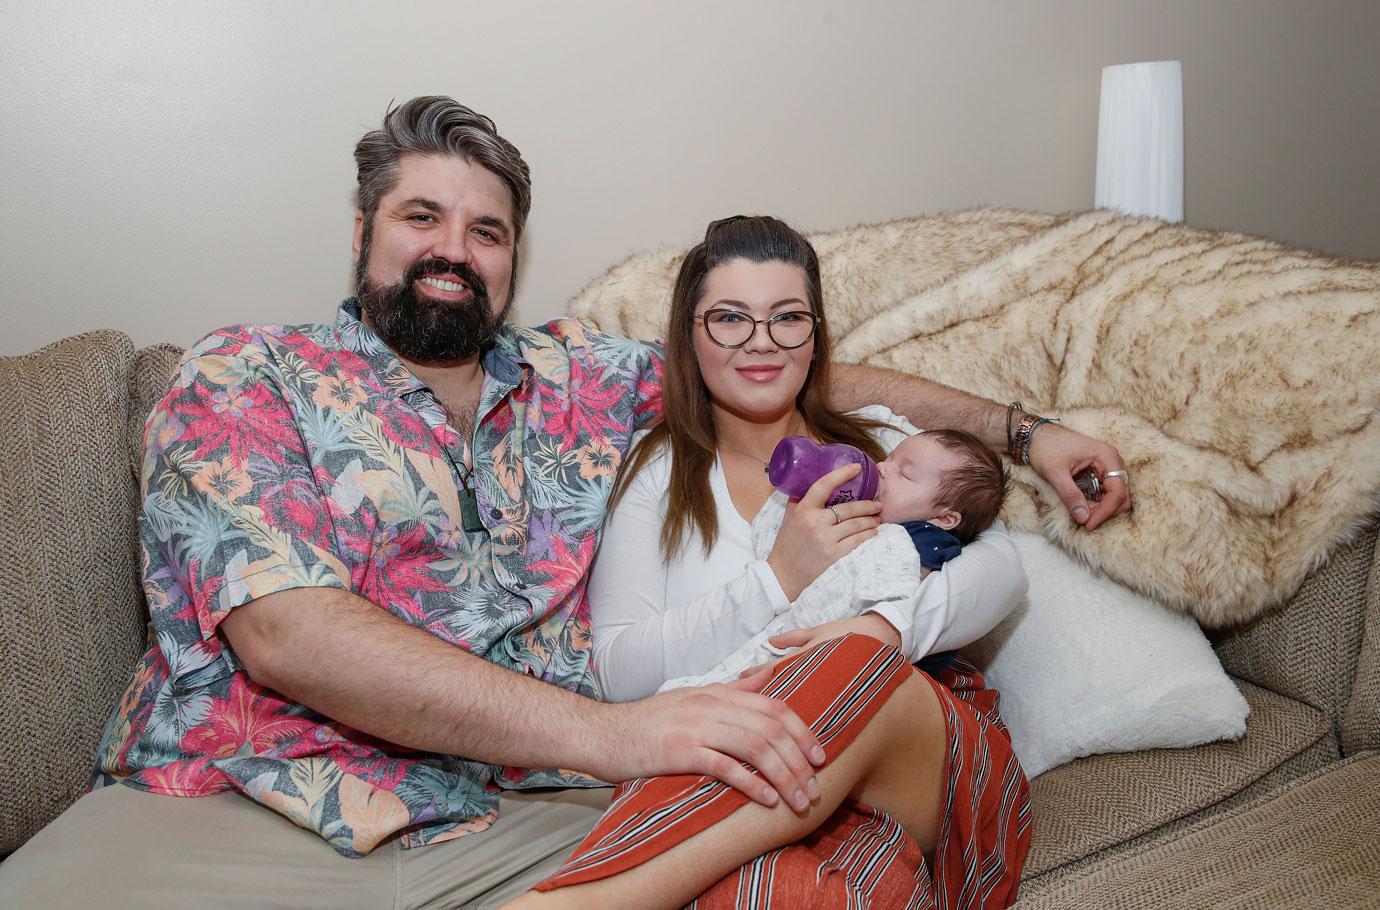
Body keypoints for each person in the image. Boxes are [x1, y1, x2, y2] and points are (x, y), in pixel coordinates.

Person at [0, 97, 1130, 908]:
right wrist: (612, 733)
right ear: (361, 235)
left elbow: (782, 372)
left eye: (486, 231)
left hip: (527, 822)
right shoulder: (245, 376)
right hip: (240, 807)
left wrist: (1022, 431)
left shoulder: (584, 385)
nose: (454, 250)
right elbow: (288, 630)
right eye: (421, 218)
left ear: (512, 260)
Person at [525, 215, 1027, 907]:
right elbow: (620, 673)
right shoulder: (657, 476)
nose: (761, 341)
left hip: (904, 752)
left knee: (847, 662)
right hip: (749, 776)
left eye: (788, 318)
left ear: (815, 335)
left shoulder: (880, 444)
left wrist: (881, 630)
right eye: (729, 318)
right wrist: (777, 578)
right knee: (770, 888)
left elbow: (1004, 570)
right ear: (687, 336)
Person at [648, 428, 1010, 692]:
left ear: (944, 519)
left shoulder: (924, 541)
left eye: (906, 473)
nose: (882, 468)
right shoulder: (858, 514)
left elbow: (906, 590)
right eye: (889, 458)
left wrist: (883, 626)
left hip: (868, 680)